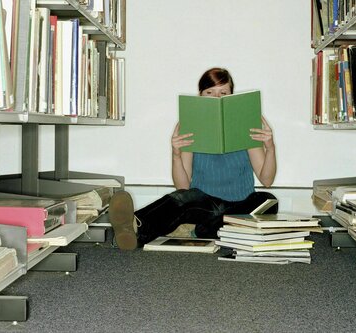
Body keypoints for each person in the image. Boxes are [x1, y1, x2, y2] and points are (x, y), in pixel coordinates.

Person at [110, 67, 278, 250]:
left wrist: (270, 147)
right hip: (204, 205)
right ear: (200, 96)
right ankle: (134, 228)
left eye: (223, 93)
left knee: (268, 199)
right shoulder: (191, 128)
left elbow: (267, 180)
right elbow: (182, 187)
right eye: (210, 92)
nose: (217, 98)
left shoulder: (247, 128)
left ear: (231, 97)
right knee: (186, 198)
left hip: (240, 206)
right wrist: (175, 154)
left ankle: (206, 229)